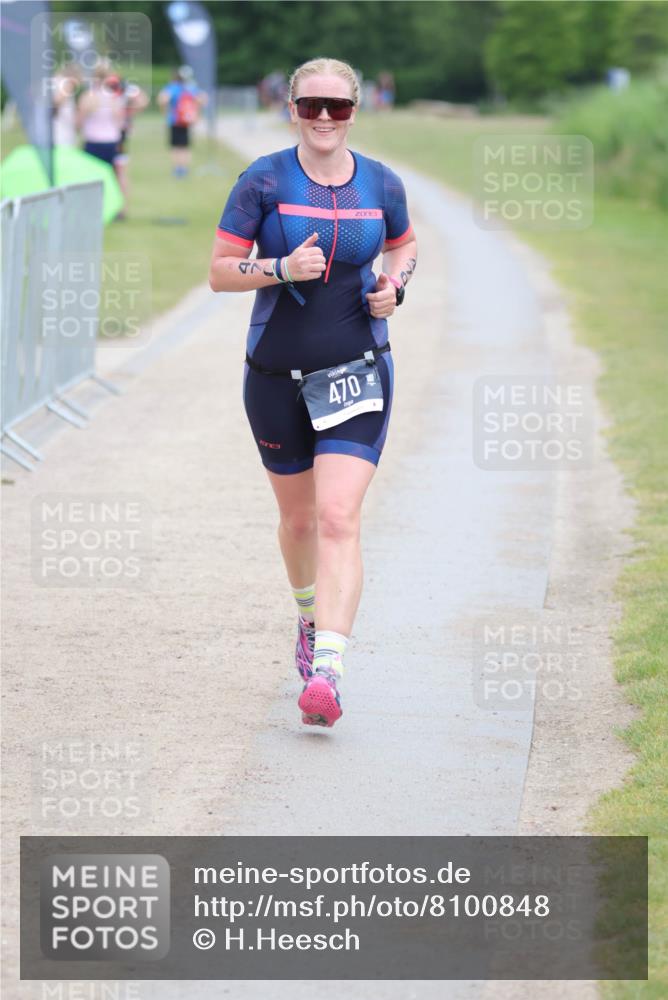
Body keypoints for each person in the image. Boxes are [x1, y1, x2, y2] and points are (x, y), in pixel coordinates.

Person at [209, 57, 417, 728]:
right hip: (274, 377)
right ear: (291, 107)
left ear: (357, 110)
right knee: (299, 522)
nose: (325, 118)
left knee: (337, 518)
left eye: (338, 106)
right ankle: (308, 616)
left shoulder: (382, 183)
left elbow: (405, 246)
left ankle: (328, 669)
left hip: (358, 369)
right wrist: (276, 267)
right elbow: (217, 271)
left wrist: (396, 288)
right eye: (311, 105)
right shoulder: (263, 180)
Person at [158, 66, 206, 177]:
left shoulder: (173, 87)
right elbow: (203, 99)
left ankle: (177, 169)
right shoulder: (191, 88)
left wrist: (165, 113)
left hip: (175, 121)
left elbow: (162, 99)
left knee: (176, 147)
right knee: (185, 146)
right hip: (187, 121)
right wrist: (196, 111)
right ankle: (184, 169)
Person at [77, 62, 124, 170]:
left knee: (92, 175)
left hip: (93, 140)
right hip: (111, 140)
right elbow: (120, 121)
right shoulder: (114, 97)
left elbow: (79, 121)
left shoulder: (88, 96)